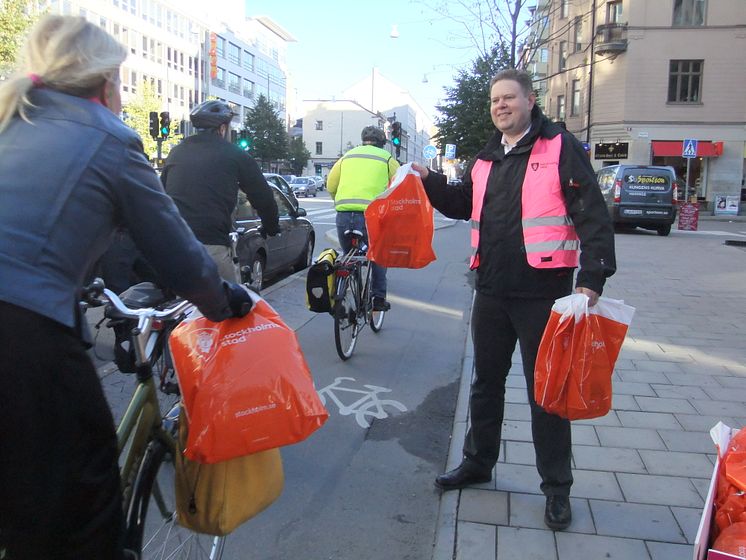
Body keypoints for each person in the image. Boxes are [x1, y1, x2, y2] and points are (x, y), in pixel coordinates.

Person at [0, 16, 256, 559]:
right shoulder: (110, 138)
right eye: (119, 79)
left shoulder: (13, 120)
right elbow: (178, 254)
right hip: (21, 329)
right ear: (102, 82)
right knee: (81, 508)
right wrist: (222, 301)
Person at [412, 68, 616, 531]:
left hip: (542, 294)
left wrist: (593, 278)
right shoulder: (485, 158)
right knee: (486, 383)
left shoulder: (559, 146)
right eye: (494, 101)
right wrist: (428, 180)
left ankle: (557, 489)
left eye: (508, 98)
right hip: (490, 290)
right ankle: (478, 463)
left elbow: (592, 214)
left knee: (546, 394)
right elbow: (464, 204)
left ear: (529, 100)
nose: (500, 106)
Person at [161, 100, 280, 282]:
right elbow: (263, 198)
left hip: (173, 245)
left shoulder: (176, 152)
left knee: (177, 304)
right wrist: (271, 227)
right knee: (232, 304)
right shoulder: (235, 154)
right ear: (223, 128)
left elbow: (160, 195)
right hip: (210, 245)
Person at [326, 126, 400, 310]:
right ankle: (378, 299)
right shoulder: (387, 159)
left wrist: (339, 201)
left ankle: (339, 297)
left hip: (343, 215)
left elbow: (330, 185)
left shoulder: (346, 157)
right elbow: (400, 185)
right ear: (382, 142)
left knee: (347, 257)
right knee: (378, 255)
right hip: (372, 216)